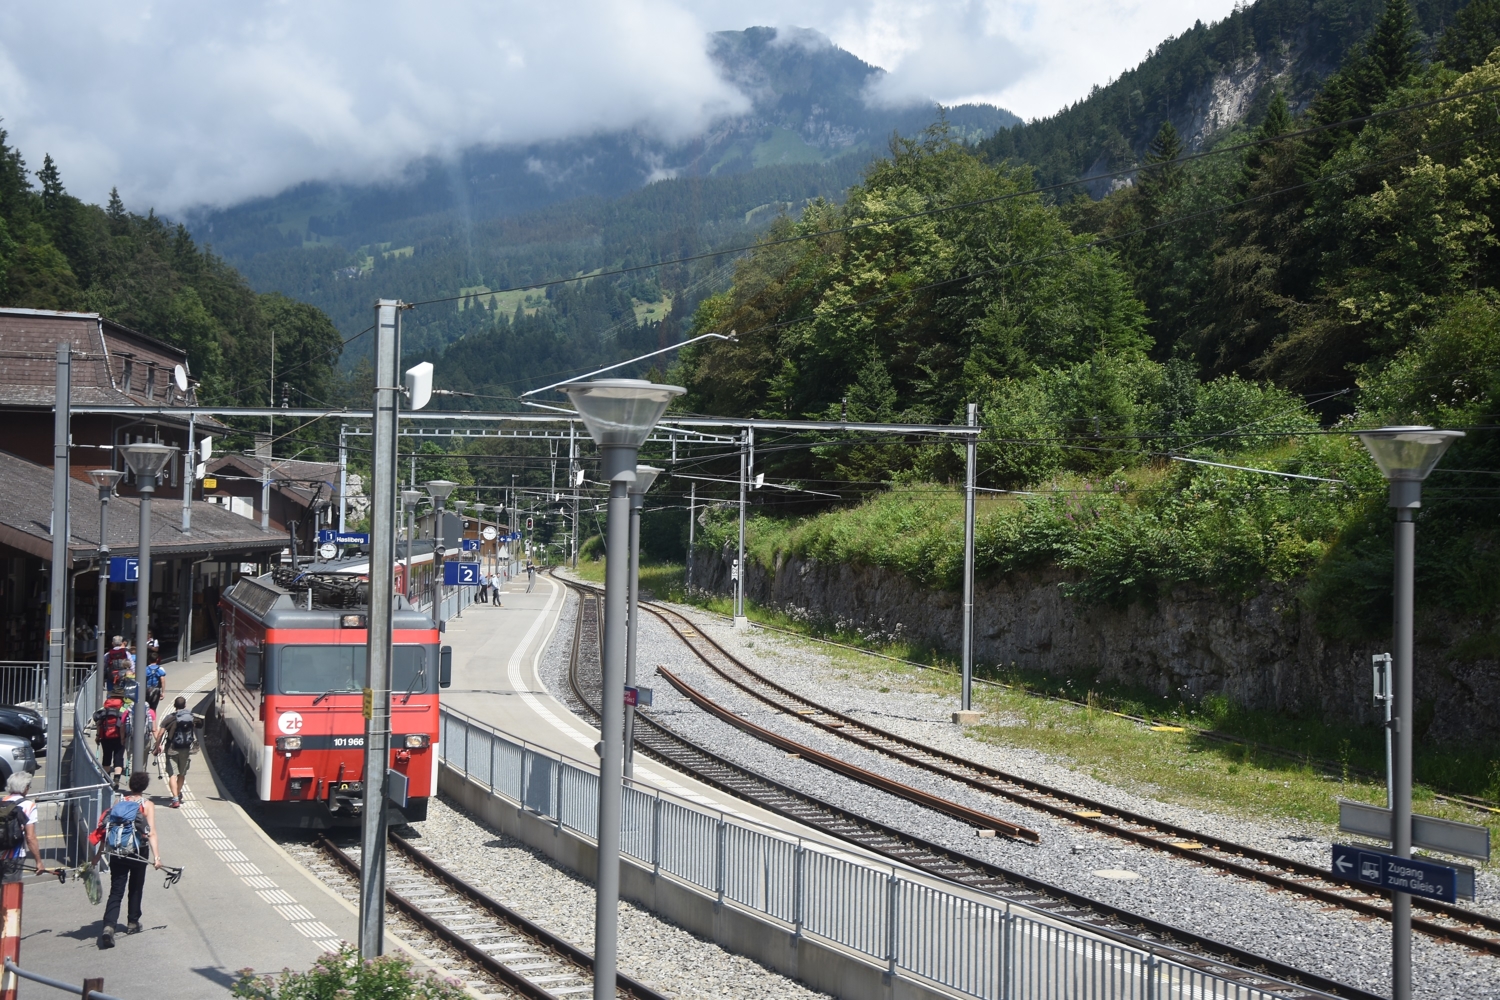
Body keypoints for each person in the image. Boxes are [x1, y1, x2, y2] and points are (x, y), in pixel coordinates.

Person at [93, 772, 160, 948]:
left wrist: (99, 854)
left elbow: (108, 829)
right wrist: (157, 857)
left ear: (130, 785)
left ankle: (108, 926)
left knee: (116, 889)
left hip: (117, 851)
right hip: (138, 851)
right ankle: (132, 922)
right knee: (136, 886)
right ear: (145, 787)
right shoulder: (147, 805)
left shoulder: (119, 802)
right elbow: (150, 832)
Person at [0, 772, 48, 882]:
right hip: (14, 857)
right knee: (10, 894)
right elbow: (30, 837)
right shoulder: (28, 805)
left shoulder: (1, 802)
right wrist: (38, 862)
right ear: (25, 788)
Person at [153, 696, 196, 808]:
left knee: (172, 774)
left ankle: (175, 798)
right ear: (185, 705)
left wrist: (157, 746)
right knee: (182, 774)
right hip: (186, 749)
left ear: (174, 706)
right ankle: (178, 794)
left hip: (172, 748)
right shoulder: (190, 717)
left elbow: (160, 734)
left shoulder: (170, 718)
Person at [95, 693, 127, 787]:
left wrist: (97, 736)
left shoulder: (103, 709)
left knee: (106, 757)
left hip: (105, 737)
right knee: (118, 758)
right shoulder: (123, 710)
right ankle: (116, 780)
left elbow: (98, 723)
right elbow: (124, 724)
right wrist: (123, 738)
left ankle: (107, 780)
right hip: (119, 738)